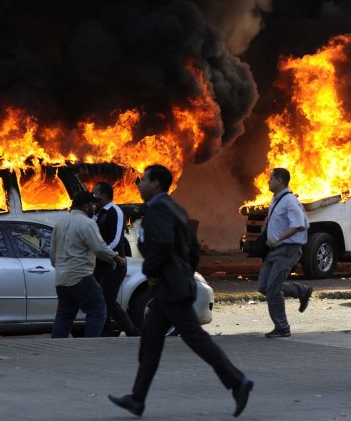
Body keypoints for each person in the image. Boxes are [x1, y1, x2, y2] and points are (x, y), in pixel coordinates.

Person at [108, 164, 253, 418]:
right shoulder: (176, 208)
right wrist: (184, 273)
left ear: (155, 185)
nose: (139, 184)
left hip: (169, 287)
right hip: (173, 285)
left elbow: (162, 243)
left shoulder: (159, 209)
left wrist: (152, 271)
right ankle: (137, 399)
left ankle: (237, 382)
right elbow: (194, 249)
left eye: (143, 180)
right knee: (151, 340)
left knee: (194, 338)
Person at [49, 191, 126, 338]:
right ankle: (90, 344)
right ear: (86, 206)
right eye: (92, 204)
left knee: (65, 315)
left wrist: (61, 268)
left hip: (61, 278)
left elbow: (53, 254)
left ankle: (56, 345)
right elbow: (99, 248)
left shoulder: (60, 224)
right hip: (80, 276)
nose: (94, 207)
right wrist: (117, 259)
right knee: (98, 310)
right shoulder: (87, 223)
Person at [258, 168, 310, 338]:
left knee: (273, 289)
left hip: (287, 249)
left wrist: (278, 238)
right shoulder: (276, 199)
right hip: (275, 251)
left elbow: (298, 225)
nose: (268, 181)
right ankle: (301, 291)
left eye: (271, 179)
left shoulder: (289, 201)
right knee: (264, 286)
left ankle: (282, 327)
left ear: (280, 181)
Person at [92, 181, 139, 337]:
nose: (94, 198)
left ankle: (131, 331)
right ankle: (107, 332)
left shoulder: (115, 211)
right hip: (100, 263)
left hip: (114, 264)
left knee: (108, 301)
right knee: (101, 301)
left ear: (104, 195)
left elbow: (116, 240)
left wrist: (104, 253)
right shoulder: (98, 213)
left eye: (95, 194)